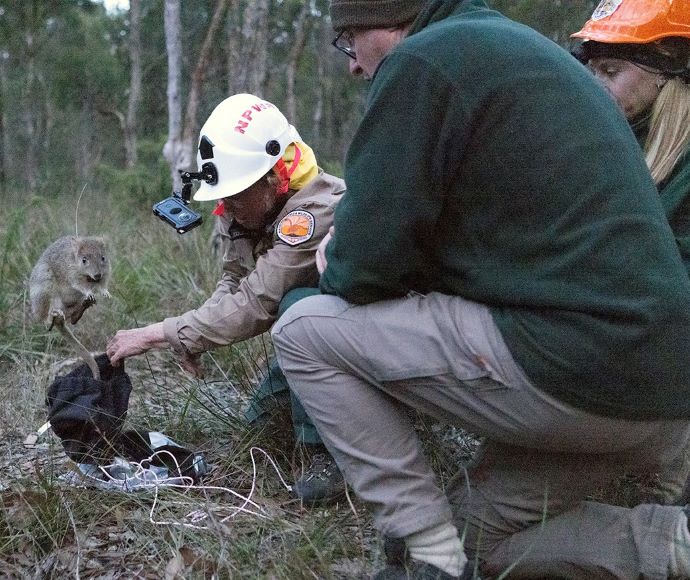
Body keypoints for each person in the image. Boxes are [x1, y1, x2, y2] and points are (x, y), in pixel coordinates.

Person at [269, 0, 690, 578]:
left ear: (385, 24)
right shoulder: (521, 51)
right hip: (664, 392)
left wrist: (333, 254)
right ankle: (668, 544)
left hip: (576, 371)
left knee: (303, 330)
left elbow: (362, 269)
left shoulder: (421, 63)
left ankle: (425, 554)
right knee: (474, 535)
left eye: (349, 41)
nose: (354, 66)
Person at [106, 93, 347, 505]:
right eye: (225, 198)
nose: (229, 209)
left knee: (299, 306)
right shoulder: (253, 209)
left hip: (366, 340)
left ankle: (329, 455)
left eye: (236, 197)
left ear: (273, 178)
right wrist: (190, 335)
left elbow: (258, 301)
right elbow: (234, 279)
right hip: (318, 341)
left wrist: (159, 334)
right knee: (256, 430)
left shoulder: (315, 212)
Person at [571, 0, 690, 507]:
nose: (594, 84)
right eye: (591, 69)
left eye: (612, 71)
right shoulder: (612, 139)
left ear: (671, 71)